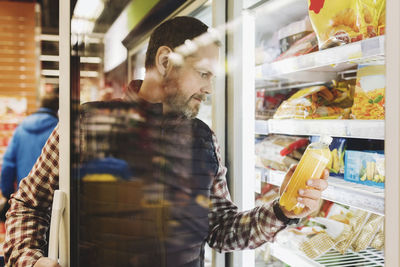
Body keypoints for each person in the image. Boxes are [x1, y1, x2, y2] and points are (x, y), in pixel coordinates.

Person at [4, 17, 328, 267]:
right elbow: (28, 204)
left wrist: (284, 210)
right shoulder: (85, 126)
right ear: (165, 62)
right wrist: (30, 259)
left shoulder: (204, 139)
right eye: (203, 74)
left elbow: (222, 229)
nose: (209, 88)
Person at [0, 88, 58, 221]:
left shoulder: (20, 129)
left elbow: (8, 164)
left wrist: (8, 193)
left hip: (25, 198)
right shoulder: (57, 130)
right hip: (51, 199)